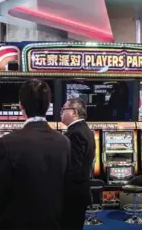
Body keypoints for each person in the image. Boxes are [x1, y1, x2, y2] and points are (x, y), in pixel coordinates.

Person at [0, 79, 71, 229]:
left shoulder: (7, 142)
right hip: (53, 222)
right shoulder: (64, 141)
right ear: (48, 106)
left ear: (21, 106)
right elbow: (68, 188)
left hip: (16, 223)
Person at [60, 98, 96, 230]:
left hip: (72, 194)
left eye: (64, 109)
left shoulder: (75, 133)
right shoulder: (85, 130)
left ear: (74, 112)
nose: (61, 112)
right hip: (79, 192)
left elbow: (74, 169)